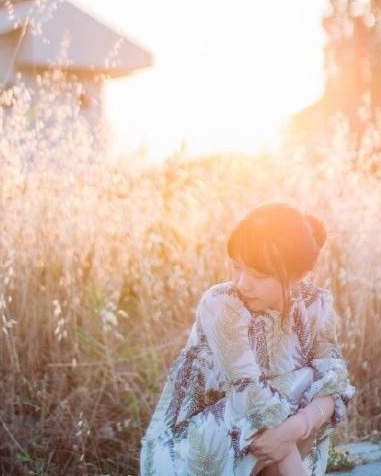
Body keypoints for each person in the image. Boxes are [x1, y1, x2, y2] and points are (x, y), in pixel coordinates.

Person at [140, 202, 356, 475]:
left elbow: (334, 386)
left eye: (259, 274)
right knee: (275, 397)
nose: (243, 283)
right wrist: (286, 441)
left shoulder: (316, 305)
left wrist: (293, 429)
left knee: (306, 386)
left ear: (297, 274)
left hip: (268, 444)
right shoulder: (221, 304)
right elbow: (248, 396)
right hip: (188, 451)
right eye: (237, 267)